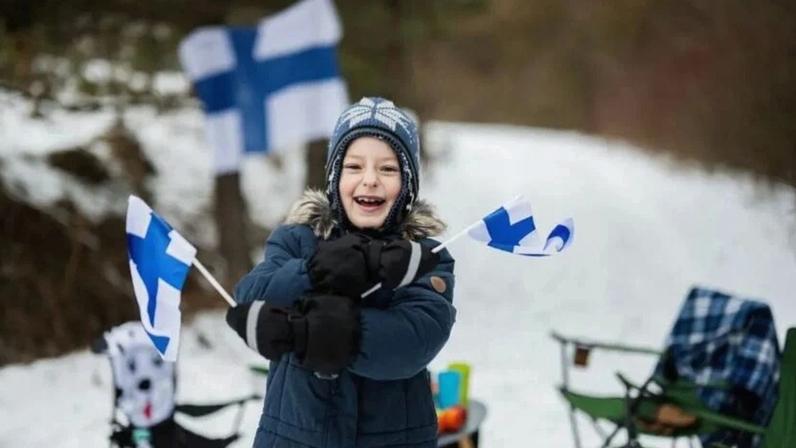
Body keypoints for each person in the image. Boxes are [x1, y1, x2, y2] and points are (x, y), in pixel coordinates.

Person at [225, 97, 456, 448]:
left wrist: (305, 332)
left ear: (408, 184)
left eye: (388, 169)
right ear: (334, 177)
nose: (370, 181)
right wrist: (313, 272)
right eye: (354, 167)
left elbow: (414, 340)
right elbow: (251, 296)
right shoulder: (297, 239)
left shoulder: (424, 258)